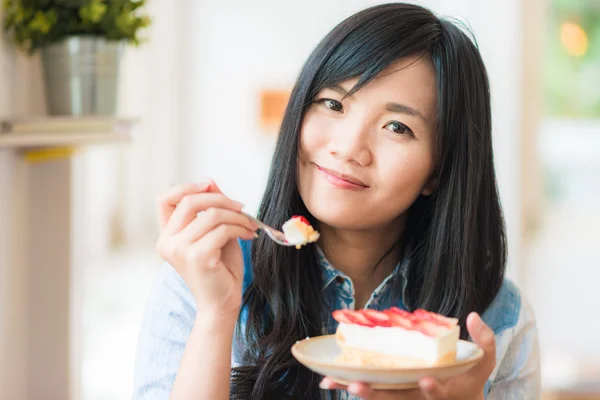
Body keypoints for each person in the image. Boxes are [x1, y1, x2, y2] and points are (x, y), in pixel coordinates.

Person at [133, 3, 540, 399]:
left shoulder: (497, 318)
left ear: (438, 170)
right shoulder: (205, 276)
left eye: (397, 127)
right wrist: (215, 316)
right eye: (333, 104)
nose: (348, 148)